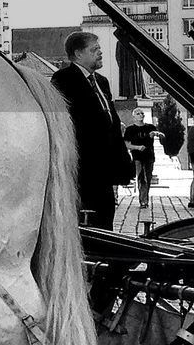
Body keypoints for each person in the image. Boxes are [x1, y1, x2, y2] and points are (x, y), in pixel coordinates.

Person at [50, 31, 132, 230]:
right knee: (89, 225)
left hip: (104, 170)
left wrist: (123, 162)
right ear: (78, 54)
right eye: (94, 49)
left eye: (99, 49)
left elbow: (111, 121)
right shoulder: (64, 80)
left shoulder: (101, 81)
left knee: (106, 221)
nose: (100, 53)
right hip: (83, 169)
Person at [123, 108, 165, 208]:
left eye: (142, 113)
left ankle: (145, 197)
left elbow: (162, 135)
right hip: (137, 157)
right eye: (138, 113)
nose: (141, 115)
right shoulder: (130, 129)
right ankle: (143, 200)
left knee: (148, 178)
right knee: (142, 178)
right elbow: (127, 144)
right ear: (134, 117)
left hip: (149, 156)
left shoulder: (150, 127)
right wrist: (137, 147)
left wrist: (156, 134)